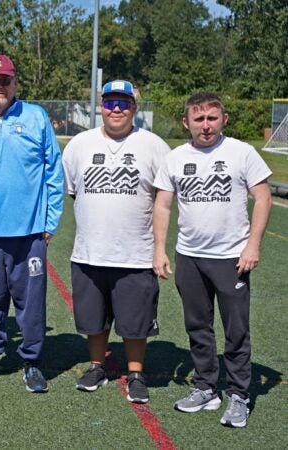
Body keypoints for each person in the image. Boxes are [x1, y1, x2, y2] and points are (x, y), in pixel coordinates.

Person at [153, 92, 272, 428]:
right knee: (197, 327)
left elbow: (262, 199)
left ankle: (238, 395)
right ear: (186, 122)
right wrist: (160, 249)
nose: (205, 126)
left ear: (224, 119)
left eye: (211, 118)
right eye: (198, 119)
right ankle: (206, 387)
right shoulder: (175, 157)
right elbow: (163, 205)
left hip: (232, 258)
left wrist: (253, 245)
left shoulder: (241, 152)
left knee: (236, 331)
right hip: (190, 257)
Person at [0, 54, 64, 392]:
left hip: (29, 233)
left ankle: (31, 362)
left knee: (30, 303)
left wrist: (50, 221)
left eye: (5, 80)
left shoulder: (36, 116)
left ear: (15, 82)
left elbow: (53, 172)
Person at [62, 80, 170, 404]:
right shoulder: (79, 145)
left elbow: (163, 197)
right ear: (101, 106)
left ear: (134, 107)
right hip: (89, 251)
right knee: (94, 319)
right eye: (110, 103)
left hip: (135, 252)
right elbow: (71, 191)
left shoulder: (154, 145)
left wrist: (160, 249)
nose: (117, 109)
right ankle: (97, 366)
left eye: (124, 103)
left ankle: (136, 372)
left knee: (135, 322)